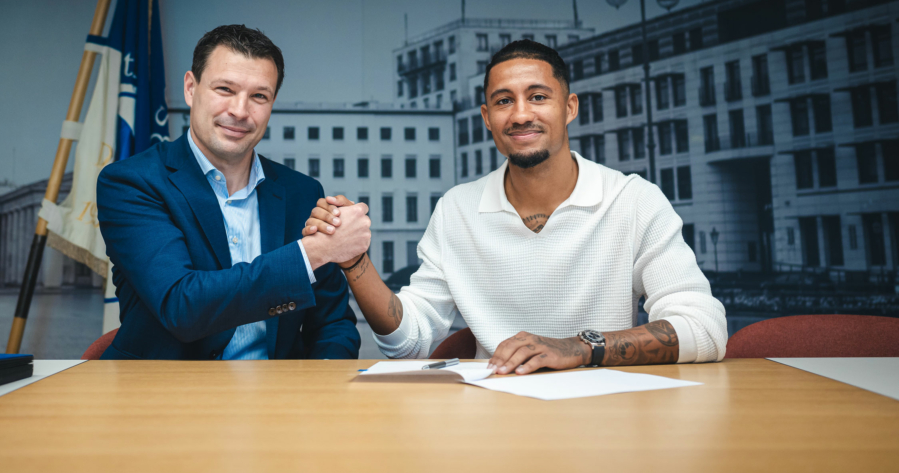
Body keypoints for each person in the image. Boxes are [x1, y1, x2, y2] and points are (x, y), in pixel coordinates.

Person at [306, 39, 727, 374]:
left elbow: (705, 329)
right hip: (492, 420)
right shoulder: (457, 209)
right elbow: (409, 342)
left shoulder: (634, 199)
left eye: (538, 96)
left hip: (605, 421)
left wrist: (578, 348)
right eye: (504, 101)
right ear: (487, 118)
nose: (521, 114)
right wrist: (355, 262)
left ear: (570, 108)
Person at [96, 24, 370, 360]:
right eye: (225, 89)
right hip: (165, 400)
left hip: (280, 402)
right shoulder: (131, 183)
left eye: (259, 96)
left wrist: (317, 394)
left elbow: (334, 325)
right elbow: (182, 306)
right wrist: (312, 253)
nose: (240, 111)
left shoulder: (302, 192)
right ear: (190, 88)